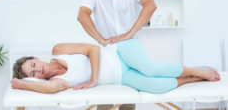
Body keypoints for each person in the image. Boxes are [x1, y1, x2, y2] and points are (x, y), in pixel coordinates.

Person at [77, 0, 157, 110]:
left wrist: (130, 33)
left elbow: (150, 5)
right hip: (107, 53)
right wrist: (101, 40)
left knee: (127, 102)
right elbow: (82, 15)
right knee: (104, 102)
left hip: (130, 51)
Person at [12, 39, 220, 95]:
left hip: (120, 52)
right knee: (158, 87)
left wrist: (93, 81)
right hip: (122, 76)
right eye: (32, 73)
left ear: (36, 58)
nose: (37, 70)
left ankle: (195, 70)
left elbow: (93, 49)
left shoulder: (58, 50)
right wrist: (21, 85)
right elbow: (49, 89)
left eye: (33, 65)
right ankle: (194, 79)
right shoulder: (58, 82)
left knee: (152, 69)